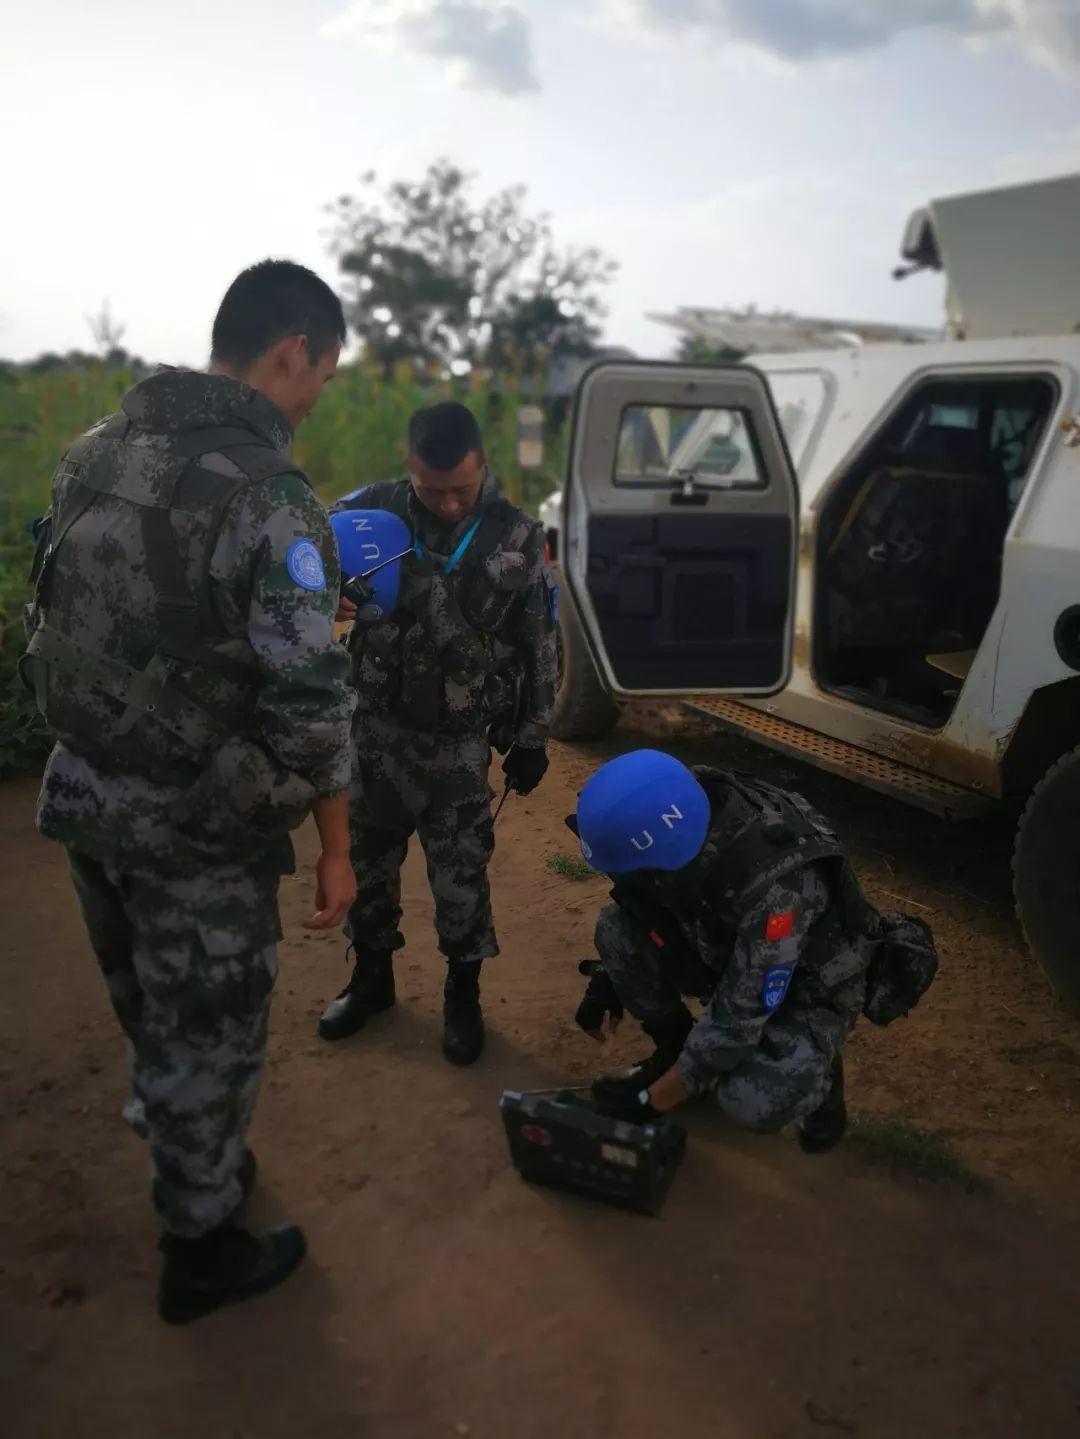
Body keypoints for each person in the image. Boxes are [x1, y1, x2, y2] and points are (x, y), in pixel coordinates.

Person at [22, 260, 357, 1322]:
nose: (316, 396)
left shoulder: (95, 452)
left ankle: (190, 1154)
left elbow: (65, 619)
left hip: (86, 800)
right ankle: (199, 1248)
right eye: (323, 374)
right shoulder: (270, 496)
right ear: (292, 352)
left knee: (152, 1016)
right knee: (209, 1033)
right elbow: (310, 715)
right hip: (191, 831)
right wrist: (283, 834)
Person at [318, 401, 558, 1065]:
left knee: (461, 880)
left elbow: (539, 640)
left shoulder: (515, 533)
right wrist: (326, 597)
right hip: (374, 729)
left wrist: (534, 734)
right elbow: (301, 569)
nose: (449, 505)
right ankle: (371, 979)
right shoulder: (368, 513)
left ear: (483, 464)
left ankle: (463, 994)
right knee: (367, 867)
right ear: (408, 468)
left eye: (461, 489)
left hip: (458, 743)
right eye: (432, 490)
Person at [570, 750, 937, 1149]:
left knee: (750, 1101)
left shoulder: (777, 886)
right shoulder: (685, 807)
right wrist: (611, 980)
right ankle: (674, 1050)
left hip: (808, 984)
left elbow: (738, 1019)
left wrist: (650, 1102)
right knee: (616, 930)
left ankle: (821, 1074)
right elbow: (641, 900)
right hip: (726, 941)